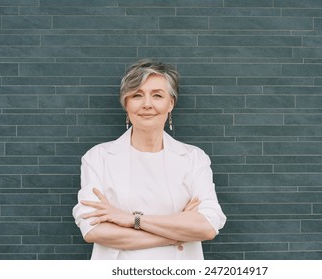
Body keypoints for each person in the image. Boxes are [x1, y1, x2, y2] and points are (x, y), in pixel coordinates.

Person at [72, 59, 226, 260]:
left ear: (171, 103)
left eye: (157, 95)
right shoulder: (98, 158)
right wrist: (176, 234)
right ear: (126, 103)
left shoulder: (194, 158)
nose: (147, 104)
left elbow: (207, 226)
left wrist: (129, 219)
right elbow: (93, 230)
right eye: (137, 95)